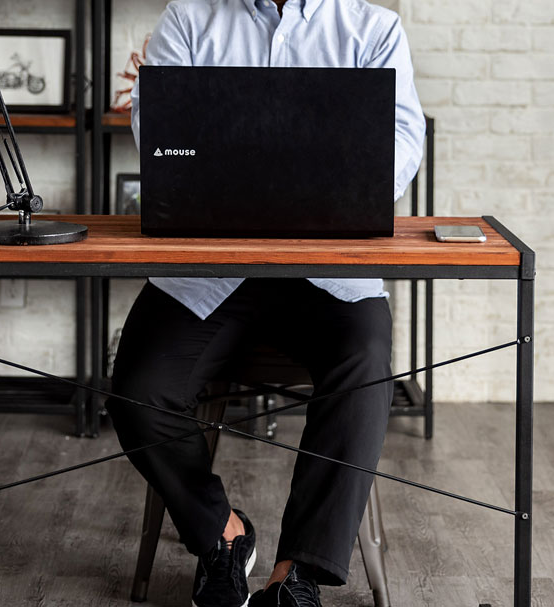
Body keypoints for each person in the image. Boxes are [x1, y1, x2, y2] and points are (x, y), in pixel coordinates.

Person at [106, 1, 425, 605]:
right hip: (210, 270)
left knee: (365, 369)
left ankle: (296, 574)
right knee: (137, 388)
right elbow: (159, 130)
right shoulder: (189, 18)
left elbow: (403, 141)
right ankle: (223, 535)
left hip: (330, 272)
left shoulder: (375, 29)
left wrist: (323, 186)